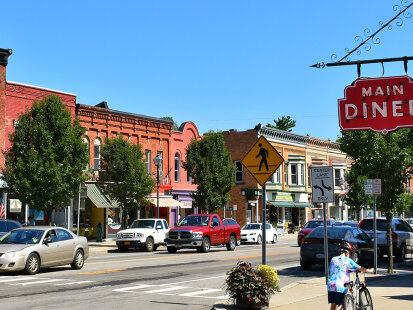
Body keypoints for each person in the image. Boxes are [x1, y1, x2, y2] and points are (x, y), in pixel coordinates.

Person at [327, 242, 374, 310]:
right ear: (347, 253)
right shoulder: (348, 260)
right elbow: (359, 267)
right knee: (341, 304)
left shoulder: (333, 259)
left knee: (333, 304)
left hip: (331, 284)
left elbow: (331, 269)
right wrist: (369, 270)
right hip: (341, 285)